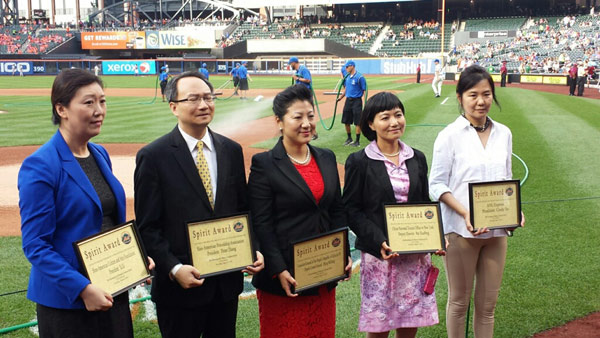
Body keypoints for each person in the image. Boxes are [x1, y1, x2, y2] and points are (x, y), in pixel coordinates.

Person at [18, 69, 154, 338]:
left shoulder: (99, 153)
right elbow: (35, 245)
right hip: (69, 302)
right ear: (62, 109)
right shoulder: (41, 165)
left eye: (102, 101)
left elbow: (108, 221)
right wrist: (82, 288)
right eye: (88, 102)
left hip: (111, 289)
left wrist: (135, 259)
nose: (99, 110)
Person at [135, 71, 264, 338]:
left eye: (208, 97)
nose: (204, 105)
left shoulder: (231, 150)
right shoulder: (153, 156)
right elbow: (148, 226)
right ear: (173, 107)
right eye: (193, 99)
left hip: (225, 284)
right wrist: (173, 268)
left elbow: (243, 209)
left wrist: (254, 248)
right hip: (180, 290)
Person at [429, 65, 525, 338]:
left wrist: (515, 211)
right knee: (459, 303)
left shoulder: (504, 133)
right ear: (460, 97)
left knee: (488, 306)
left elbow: (505, 180)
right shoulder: (449, 136)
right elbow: (436, 185)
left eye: (486, 94)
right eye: (473, 95)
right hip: (460, 231)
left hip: (497, 231)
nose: (481, 101)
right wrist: (465, 213)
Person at [248, 84, 352, 338]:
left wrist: (344, 253)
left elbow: (336, 210)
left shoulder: (326, 157)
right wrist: (278, 269)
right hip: (286, 278)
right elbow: (261, 223)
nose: (306, 123)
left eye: (310, 116)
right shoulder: (264, 164)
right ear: (279, 122)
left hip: (322, 274)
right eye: (297, 117)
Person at [343, 92, 443, 338]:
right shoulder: (359, 161)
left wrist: (437, 237)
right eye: (385, 117)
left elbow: (423, 204)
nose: (394, 122)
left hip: (414, 257)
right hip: (381, 258)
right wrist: (379, 241)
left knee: (409, 323)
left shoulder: (416, 157)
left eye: (398, 115)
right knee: (379, 327)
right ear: (370, 123)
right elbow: (351, 209)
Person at [337, 60, 366, 147]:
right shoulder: (347, 77)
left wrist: (366, 102)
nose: (345, 69)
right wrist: (340, 97)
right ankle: (349, 138)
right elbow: (346, 89)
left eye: (347, 67)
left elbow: (364, 90)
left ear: (352, 66)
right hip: (348, 101)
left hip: (357, 101)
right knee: (346, 120)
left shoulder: (360, 77)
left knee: (357, 121)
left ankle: (357, 141)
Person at [289, 56, 318, 140]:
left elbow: (308, 80)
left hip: (306, 93)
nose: (291, 65)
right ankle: (307, 132)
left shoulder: (303, 69)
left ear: (294, 62)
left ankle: (314, 133)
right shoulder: (298, 71)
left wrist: (297, 78)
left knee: (308, 113)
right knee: (302, 113)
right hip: (300, 93)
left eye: (291, 63)